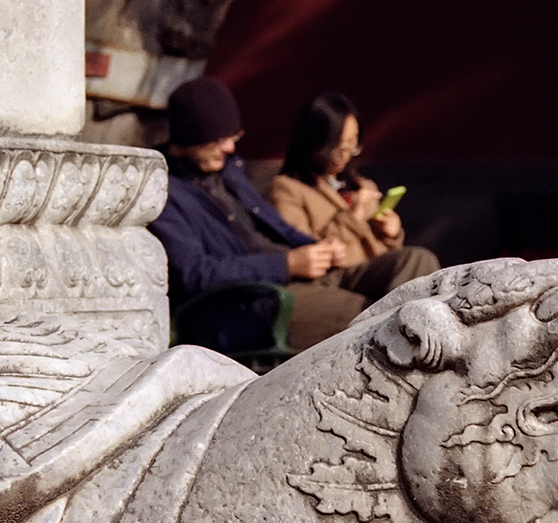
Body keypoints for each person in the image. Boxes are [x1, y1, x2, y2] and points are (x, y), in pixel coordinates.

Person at [147, 77, 433, 353]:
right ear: (189, 137)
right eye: (217, 141)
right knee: (371, 312)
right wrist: (285, 264)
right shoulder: (167, 193)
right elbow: (197, 274)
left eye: (233, 137)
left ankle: (419, 351)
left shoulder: (228, 170)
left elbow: (277, 227)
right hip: (256, 303)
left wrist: (314, 247)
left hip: (302, 279)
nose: (230, 148)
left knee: (417, 261)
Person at [269, 91, 439, 277]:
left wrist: (391, 233)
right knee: (417, 259)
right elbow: (305, 250)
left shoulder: (363, 186)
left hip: (374, 271)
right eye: (336, 148)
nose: (345, 156)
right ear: (313, 141)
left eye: (352, 146)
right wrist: (352, 217)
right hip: (336, 277)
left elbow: (386, 252)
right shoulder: (288, 189)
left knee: (420, 263)